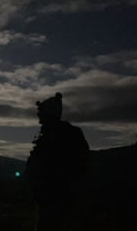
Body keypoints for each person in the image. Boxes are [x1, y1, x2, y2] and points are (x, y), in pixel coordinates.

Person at [26, 92, 89, 231]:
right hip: (53, 198)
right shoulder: (60, 133)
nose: (38, 115)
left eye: (41, 112)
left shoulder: (56, 135)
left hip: (55, 199)